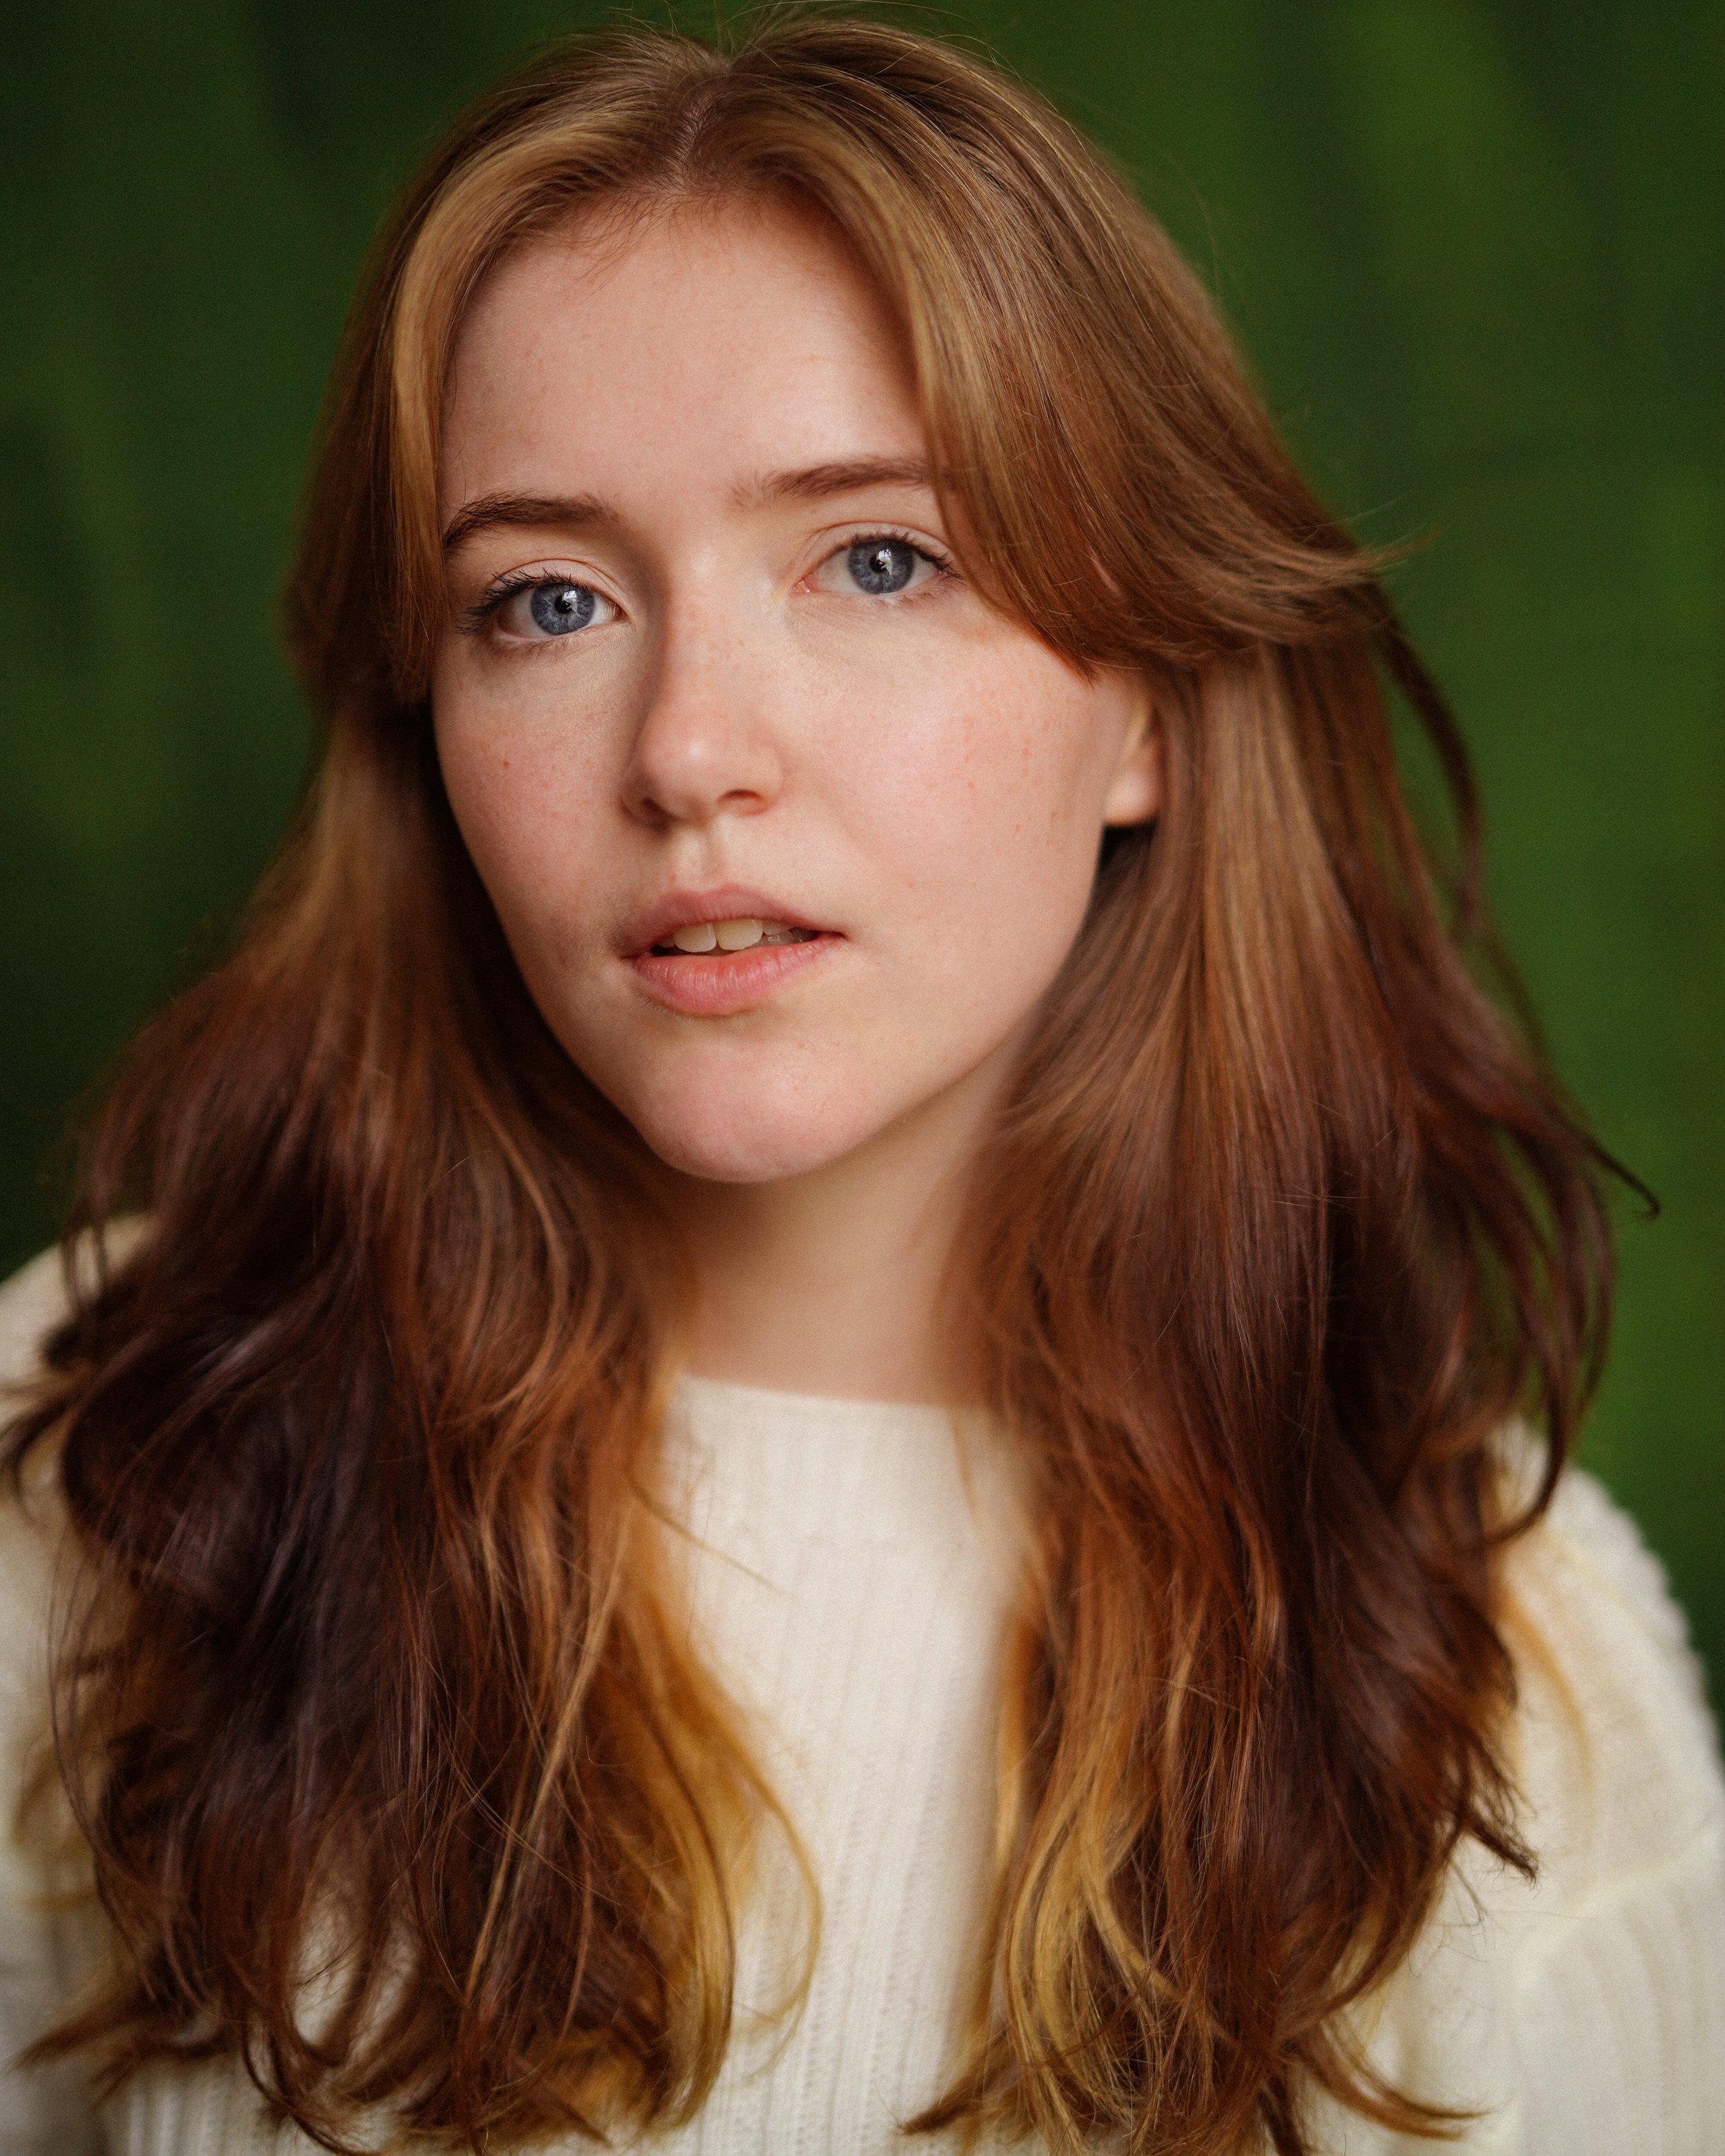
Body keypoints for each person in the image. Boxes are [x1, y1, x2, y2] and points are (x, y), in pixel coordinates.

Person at [1, 17, 1721, 2155]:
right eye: (545, 600)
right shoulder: (108, 1457)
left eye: (879, 560)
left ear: (1146, 706)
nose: (686, 751)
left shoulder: (1505, 1661)